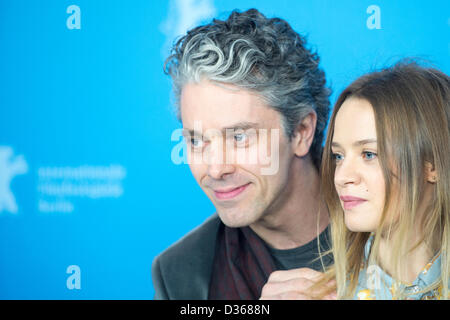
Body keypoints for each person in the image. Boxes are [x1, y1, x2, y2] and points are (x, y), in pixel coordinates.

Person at [152, 8, 334, 300]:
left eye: (239, 137)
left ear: (301, 132)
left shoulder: (404, 225)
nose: (215, 169)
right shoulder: (182, 273)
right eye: (196, 141)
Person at [310, 61, 449, 300]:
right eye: (338, 156)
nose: (342, 177)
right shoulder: (320, 295)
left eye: (369, 154)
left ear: (433, 164)